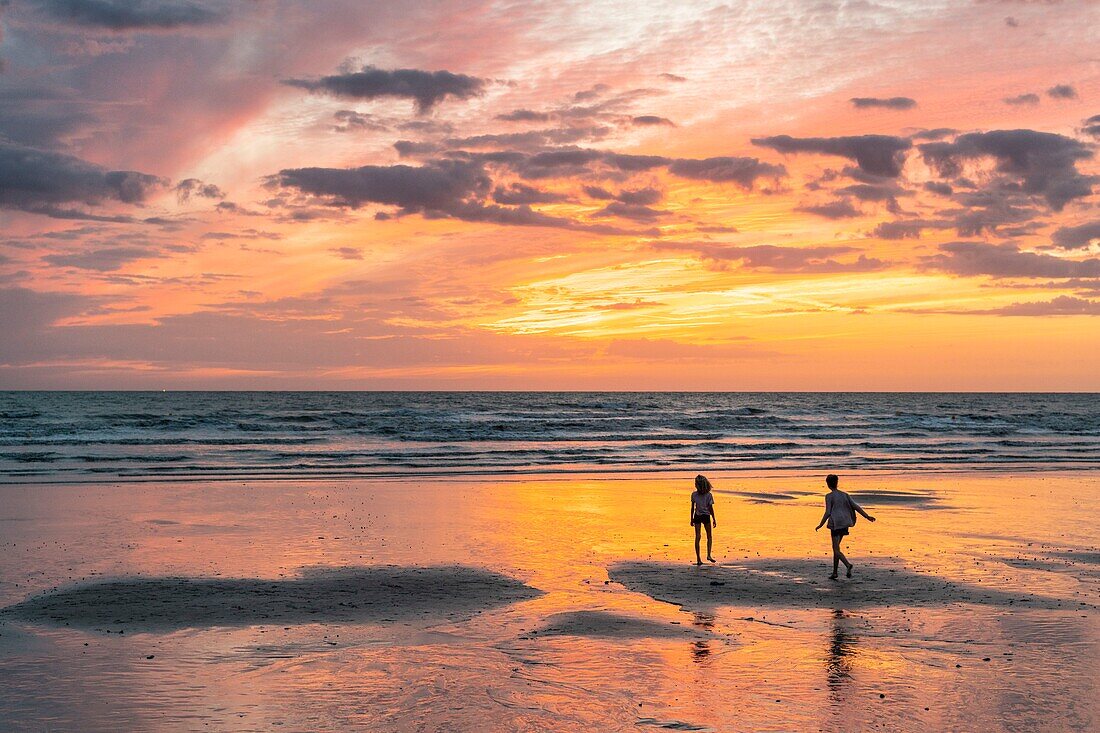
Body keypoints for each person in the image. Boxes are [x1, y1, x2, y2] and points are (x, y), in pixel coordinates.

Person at [814, 474, 875, 579]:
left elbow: (828, 512)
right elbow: (856, 507)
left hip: (835, 524)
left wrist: (821, 524)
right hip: (845, 523)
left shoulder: (829, 496)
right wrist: (867, 516)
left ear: (827, 484)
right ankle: (835, 573)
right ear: (837, 483)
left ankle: (848, 565)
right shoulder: (845, 495)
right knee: (836, 548)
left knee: (836, 549)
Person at [690, 474, 717, 565]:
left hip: (697, 516)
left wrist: (691, 519)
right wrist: (713, 518)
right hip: (705, 516)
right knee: (709, 536)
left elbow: (692, 508)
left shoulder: (694, 495)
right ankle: (708, 555)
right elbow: (710, 508)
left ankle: (698, 558)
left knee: (698, 536)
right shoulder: (708, 495)